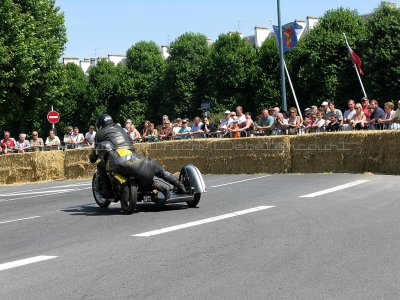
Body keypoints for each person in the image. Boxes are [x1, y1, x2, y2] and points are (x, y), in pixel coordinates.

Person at [89, 114, 186, 199]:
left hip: (117, 158)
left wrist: (92, 158)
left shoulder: (99, 133)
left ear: (100, 124)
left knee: (100, 166)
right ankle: (180, 185)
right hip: (133, 156)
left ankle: (107, 190)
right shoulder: (120, 129)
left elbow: (95, 152)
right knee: (161, 172)